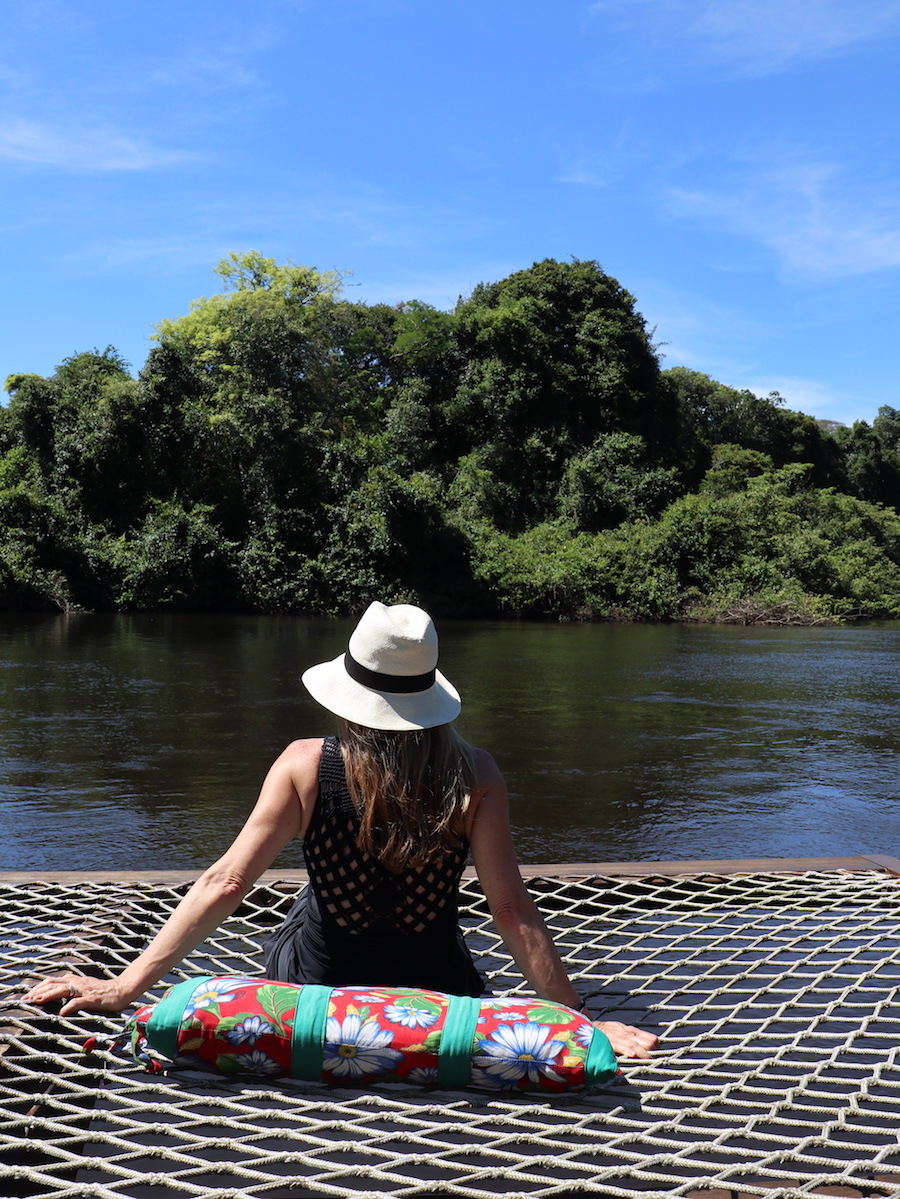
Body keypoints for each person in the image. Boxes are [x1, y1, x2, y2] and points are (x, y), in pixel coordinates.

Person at [24, 602, 658, 1060]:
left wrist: (125, 986)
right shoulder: (477, 775)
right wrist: (582, 1022)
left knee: (311, 897)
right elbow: (511, 910)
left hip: (316, 989)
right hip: (431, 993)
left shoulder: (305, 764)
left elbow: (227, 880)